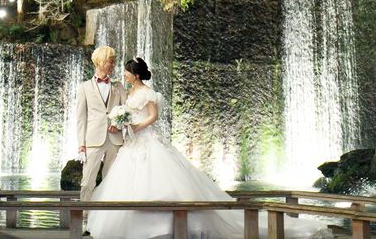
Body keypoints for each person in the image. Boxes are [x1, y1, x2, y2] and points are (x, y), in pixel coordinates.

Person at [87, 57, 333, 239]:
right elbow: (126, 112)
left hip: (146, 138)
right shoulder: (129, 92)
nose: (124, 74)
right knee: (129, 181)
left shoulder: (148, 93)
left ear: (135, 74)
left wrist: (136, 126)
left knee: (159, 180)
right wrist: (121, 123)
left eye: (126, 71)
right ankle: (133, 226)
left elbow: (153, 116)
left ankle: (165, 227)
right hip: (132, 142)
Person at [76, 45, 127, 203]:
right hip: (93, 139)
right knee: (87, 182)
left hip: (115, 139)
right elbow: (81, 118)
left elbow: (127, 110)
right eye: (110, 61)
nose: (113, 65)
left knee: (112, 181)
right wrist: (81, 144)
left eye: (114, 61)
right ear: (100, 61)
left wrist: (119, 124)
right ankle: (85, 213)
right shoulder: (84, 87)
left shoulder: (118, 86)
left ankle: (108, 213)